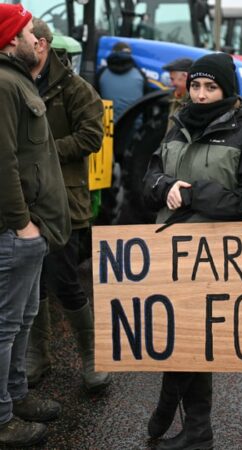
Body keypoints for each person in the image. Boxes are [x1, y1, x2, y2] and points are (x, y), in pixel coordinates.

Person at [143, 52, 242, 450]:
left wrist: (198, 194)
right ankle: (181, 415)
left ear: (226, 89)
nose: (200, 94)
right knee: (174, 336)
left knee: (197, 340)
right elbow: (148, 177)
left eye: (210, 87)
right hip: (169, 252)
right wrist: (166, 186)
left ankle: (191, 424)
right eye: (196, 86)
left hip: (214, 257)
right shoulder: (177, 126)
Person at [25, 17, 111, 393]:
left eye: (21, 38)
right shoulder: (17, 81)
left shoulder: (77, 89)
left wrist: (41, 152)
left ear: (40, 44)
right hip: (24, 199)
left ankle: (92, 356)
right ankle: (37, 356)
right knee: (31, 283)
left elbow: (91, 137)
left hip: (64, 199)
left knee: (64, 279)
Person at [0, 4, 71, 447]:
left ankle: (16, 395)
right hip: (14, 232)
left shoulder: (18, 79)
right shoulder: (5, 84)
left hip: (29, 229)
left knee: (23, 318)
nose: (37, 38)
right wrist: (21, 223)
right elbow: (2, 162)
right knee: (5, 326)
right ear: (11, 39)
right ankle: (3, 418)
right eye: (29, 31)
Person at [97, 41, 148, 123]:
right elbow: (146, 104)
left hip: (107, 129)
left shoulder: (101, 73)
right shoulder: (140, 75)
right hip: (132, 129)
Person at [162, 57, 193, 132]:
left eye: (172, 79)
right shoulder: (176, 99)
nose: (172, 84)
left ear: (185, 76)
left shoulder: (192, 105)